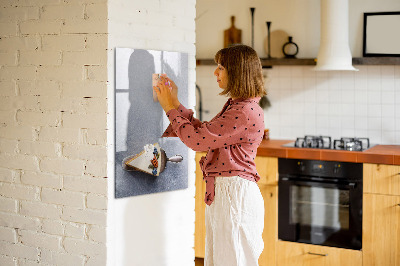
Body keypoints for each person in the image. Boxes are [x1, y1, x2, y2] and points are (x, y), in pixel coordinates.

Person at [153, 44, 266, 266]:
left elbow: (197, 141)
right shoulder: (239, 106)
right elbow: (205, 133)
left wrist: (169, 108)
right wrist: (175, 103)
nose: (215, 72)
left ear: (237, 71)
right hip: (228, 194)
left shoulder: (243, 111)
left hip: (234, 195)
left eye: (221, 67)